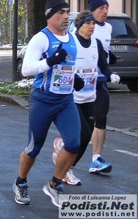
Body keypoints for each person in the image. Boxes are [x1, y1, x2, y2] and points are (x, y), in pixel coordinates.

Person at [12, 0, 81, 207]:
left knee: (74, 143)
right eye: (61, 13)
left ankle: (54, 184)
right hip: (43, 100)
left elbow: (68, 65)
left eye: (67, 12)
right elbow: (26, 69)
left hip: (65, 101)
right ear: (50, 16)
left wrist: (74, 77)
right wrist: (49, 61)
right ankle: (21, 182)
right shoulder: (41, 38)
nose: (65, 16)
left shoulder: (72, 38)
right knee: (34, 147)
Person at [51, 10, 120, 186]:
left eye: (93, 24)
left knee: (87, 135)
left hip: (90, 95)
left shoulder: (96, 43)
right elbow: (61, 66)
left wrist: (111, 75)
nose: (91, 27)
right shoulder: (71, 43)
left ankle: (68, 167)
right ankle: (64, 154)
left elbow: (103, 66)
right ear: (79, 25)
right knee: (81, 134)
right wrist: (74, 79)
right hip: (72, 97)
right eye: (88, 24)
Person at [86, 0, 115, 173]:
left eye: (106, 7)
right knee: (84, 125)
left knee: (101, 118)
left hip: (101, 79)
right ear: (93, 11)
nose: (105, 11)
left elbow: (105, 49)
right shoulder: (86, 27)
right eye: (101, 8)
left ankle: (96, 159)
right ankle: (65, 151)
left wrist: (109, 57)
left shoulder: (109, 27)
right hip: (85, 81)